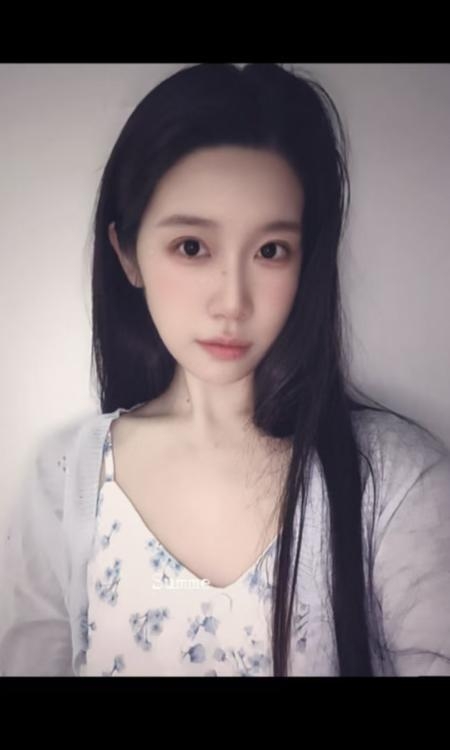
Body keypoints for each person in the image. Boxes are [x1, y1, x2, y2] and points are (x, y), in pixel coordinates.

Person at [1, 63, 449, 677]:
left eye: (270, 251)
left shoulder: (394, 483)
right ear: (128, 254)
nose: (233, 302)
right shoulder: (66, 482)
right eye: (192, 247)